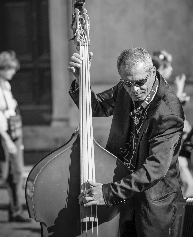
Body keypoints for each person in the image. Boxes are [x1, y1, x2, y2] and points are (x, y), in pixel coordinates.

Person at [68, 46, 184, 237]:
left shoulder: (168, 111)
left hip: (151, 203)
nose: (134, 90)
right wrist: (82, 79)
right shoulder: (126, 87)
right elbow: (96, 107)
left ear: (152, 72)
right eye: (127, 83)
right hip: (122, 191)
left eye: (139, 83)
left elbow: (156, 168)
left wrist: (107, 193)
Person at [152, 50, 193, 198]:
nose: (171, 69)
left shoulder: (160, 86)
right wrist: (179, 91)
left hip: (172, 145)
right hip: (167, 146)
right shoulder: (155, 87)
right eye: (168, 66)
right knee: (186, 186)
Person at [0, 51, 30, 222]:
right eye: (10, 68)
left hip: (14, 132)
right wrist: (6, 139)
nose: (13, 72)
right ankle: (15, 209)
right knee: (6, 173)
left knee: (16, 172)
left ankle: (15, 210)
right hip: (5, 134)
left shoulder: (6, 85)